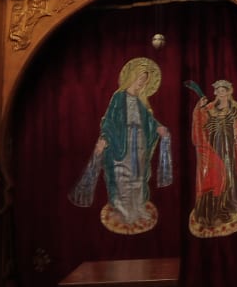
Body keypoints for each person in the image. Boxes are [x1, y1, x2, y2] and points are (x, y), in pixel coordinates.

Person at [70, 57, 172, 234]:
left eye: (145, 81)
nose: (142, 83)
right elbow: (109, 120)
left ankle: (138, 206)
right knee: (123, 175)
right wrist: (104, 138)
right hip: (121, 143)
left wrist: (158, 128)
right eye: (140, 79)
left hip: (139, 142)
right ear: (132, 77)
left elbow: (149, 120)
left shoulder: (140, 102)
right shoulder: (118, 97)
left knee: (138, 175)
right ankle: (123, 208)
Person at [189, 79, 237, 237]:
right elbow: (199, 121)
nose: (220, 93)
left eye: (223, 91)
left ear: (229, 92)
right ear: (215, 93)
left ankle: (228, 204)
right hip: (213, 147)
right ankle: (214, 208)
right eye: (218, 91)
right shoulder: (210, 108)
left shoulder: (235, 107)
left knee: (229, 175)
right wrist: (198, 108)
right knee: (216, 175)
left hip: (231, 147)